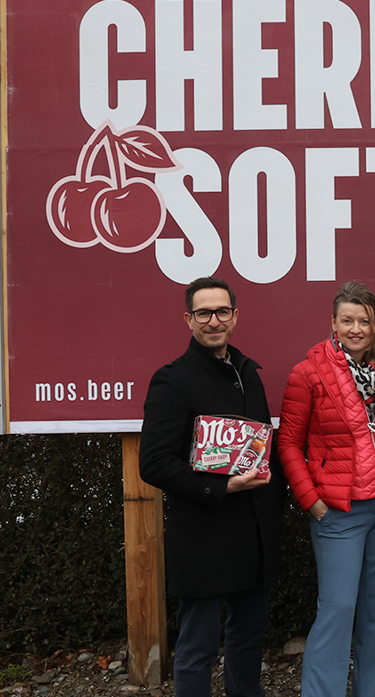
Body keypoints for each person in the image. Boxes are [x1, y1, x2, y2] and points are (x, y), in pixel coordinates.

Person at [276, 281, 375, 697]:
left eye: (363, 320)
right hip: (338, 512)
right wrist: (312, 501)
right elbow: (288, 443)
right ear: (333, 323)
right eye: (347, 320)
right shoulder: (308, 373)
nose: (355, 329)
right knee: (338, 609)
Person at [140, 277, 285, 697]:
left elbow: (262, 448)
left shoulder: (248, 374)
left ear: (235, 316)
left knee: (248, 639)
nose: (214, 321)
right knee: (197, 648)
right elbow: (154, 463)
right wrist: (219, 488)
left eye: (222, 311)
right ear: (188, 319)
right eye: (204, 313)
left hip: (253, 535)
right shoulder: (172, 380)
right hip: (202, 537)